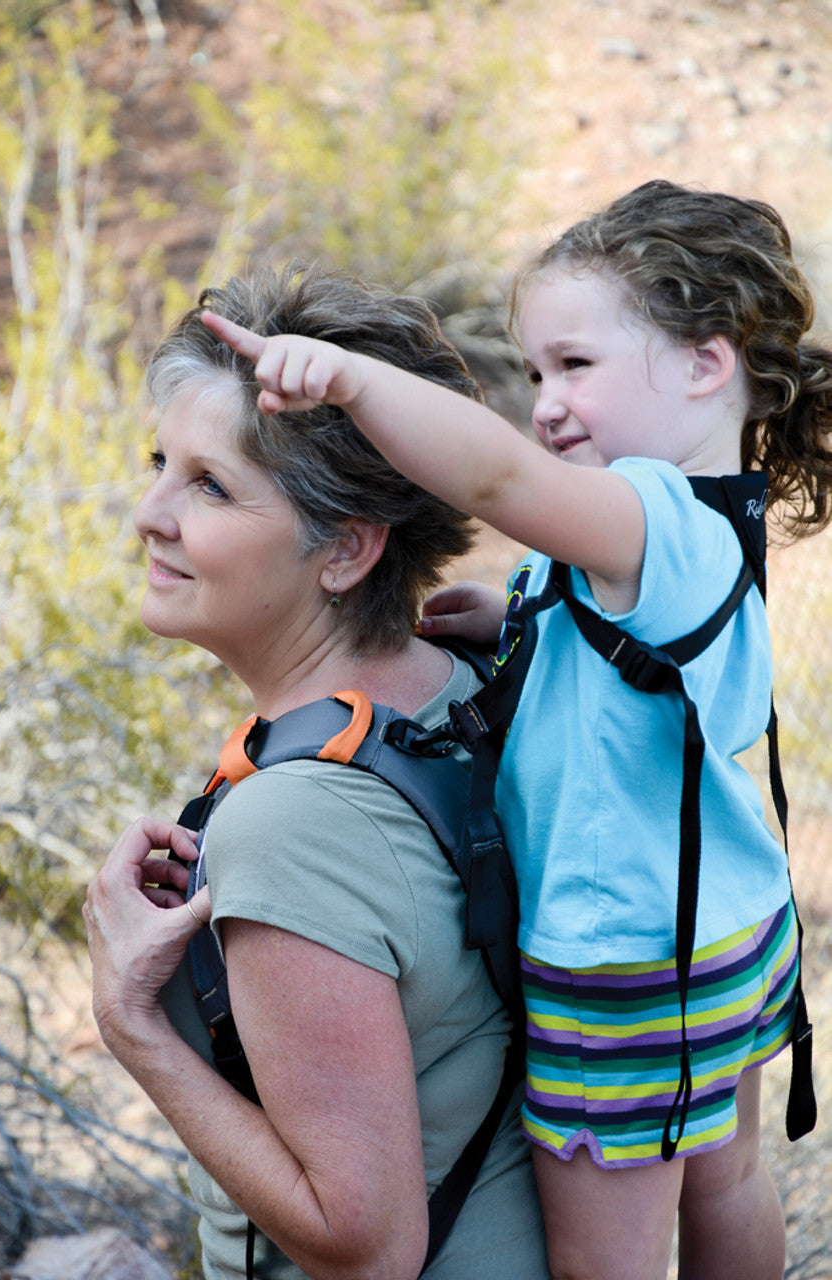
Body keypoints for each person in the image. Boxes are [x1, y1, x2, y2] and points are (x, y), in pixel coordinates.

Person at [200, 180, 832, 1280]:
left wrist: (352, 377)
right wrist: (518, 620)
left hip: (624, 954)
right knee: (726, 1176)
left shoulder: (645, 515)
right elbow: (643, 668)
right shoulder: (689, 524)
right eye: (534, 372)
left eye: (573, 365)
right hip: (724, 921)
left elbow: (497, 477)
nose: (544, 402)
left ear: (704, 362)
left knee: (606, 1256)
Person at [83, 262, 554, 1280]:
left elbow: (365, 1243)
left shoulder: (295, 821)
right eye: (158, 462)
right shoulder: (478, 676)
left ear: (344, 548)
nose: (148, 513)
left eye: (207, 483)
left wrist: (133, 1024)